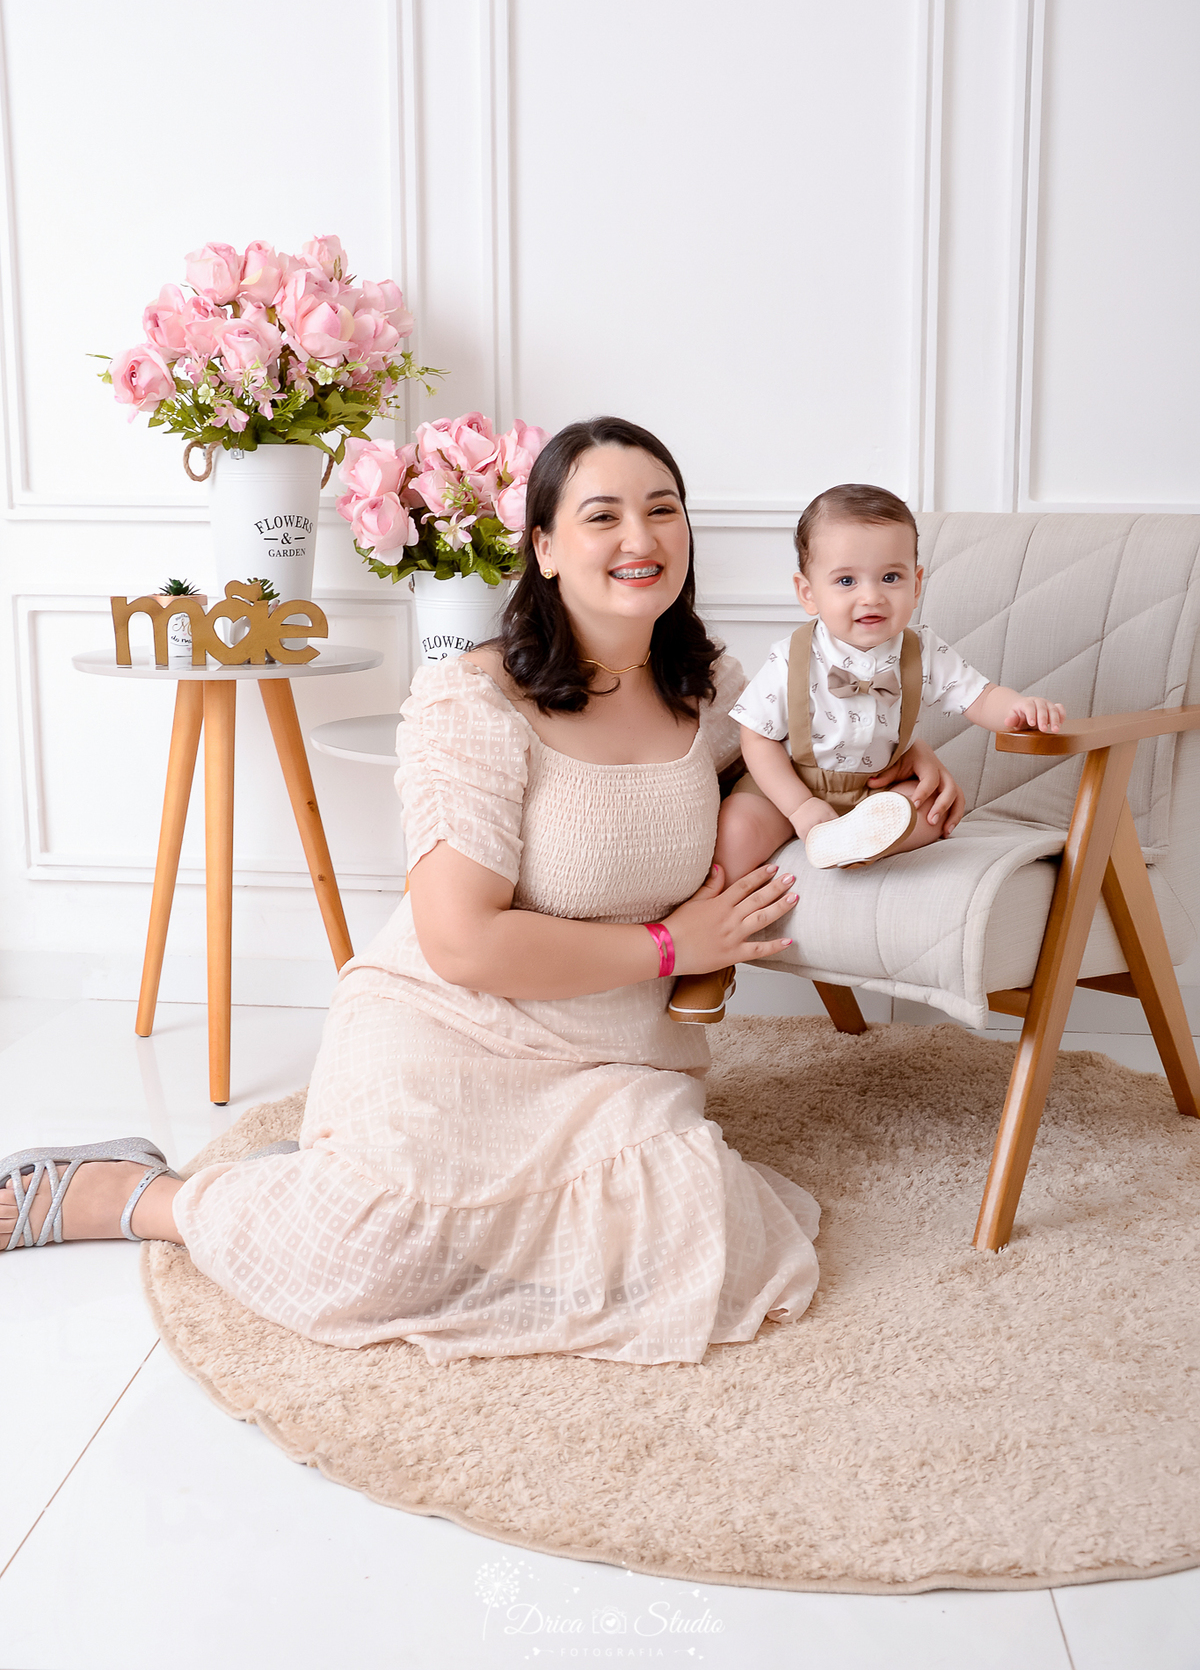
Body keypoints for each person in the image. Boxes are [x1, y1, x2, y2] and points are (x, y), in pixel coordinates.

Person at [3, 420, 932, 1366]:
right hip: (452, 1016)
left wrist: (910, 763)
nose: (640, 539)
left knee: (700, 1241)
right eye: (602, 515)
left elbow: (816, 760)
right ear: (544, 546)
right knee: (365, 1251)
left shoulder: (718, 689)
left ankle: (349, 1179)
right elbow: (462, 944)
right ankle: (143, 1194)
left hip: (615, 1051)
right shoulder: (475, 702)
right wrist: (670, 948)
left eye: (663, 511)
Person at [667, 483, 1064, 1024]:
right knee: (736, 829)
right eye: (847, 580)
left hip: (872, 791)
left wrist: (1020, 709)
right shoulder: (792, 659)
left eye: (891, 577)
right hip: (791, 782)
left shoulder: (925, 652)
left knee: (932, 810)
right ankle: (709, 959)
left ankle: (860, 843)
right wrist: (801, 810)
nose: (871, 596)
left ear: (917, 583)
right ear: (808, 593)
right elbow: (757, 739)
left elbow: (981, 697)